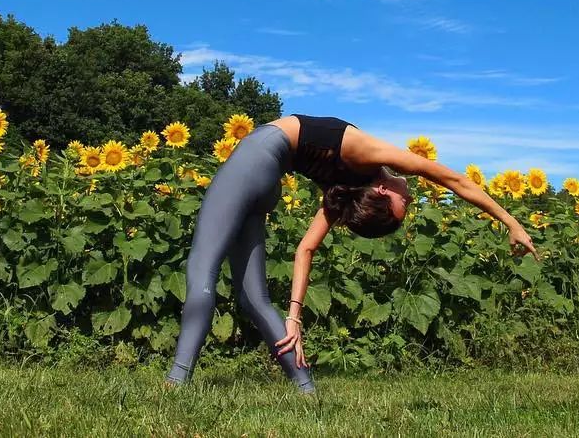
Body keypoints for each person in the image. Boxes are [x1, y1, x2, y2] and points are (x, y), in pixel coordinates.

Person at [163, 114, 538, 391]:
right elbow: (306, 248)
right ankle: (306, 390)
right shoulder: (354, 175)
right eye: (405, 203)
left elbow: (451, 179)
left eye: (402, 202)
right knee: (254, 298)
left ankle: (176, 382)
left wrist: (512, 222)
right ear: (379, 192)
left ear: (378, 194)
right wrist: (510, 222)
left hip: (256, 160)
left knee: (203, 270)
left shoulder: (357, 174)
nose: (409, 196)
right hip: (268, 179)